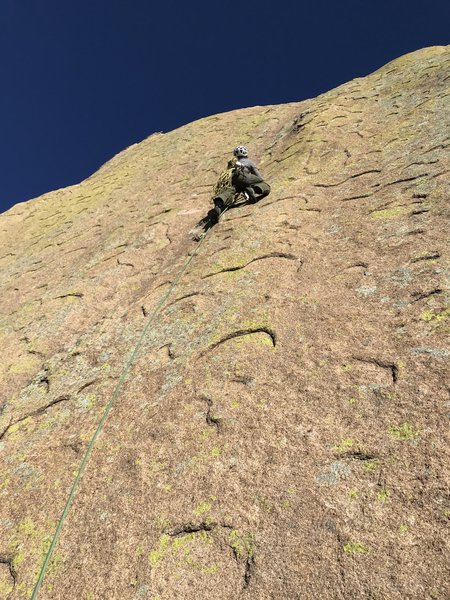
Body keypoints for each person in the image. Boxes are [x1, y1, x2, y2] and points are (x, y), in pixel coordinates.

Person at [210, 146, 271, 223]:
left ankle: (219, 204)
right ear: (246, 153)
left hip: (234, 179)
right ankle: (253, 190)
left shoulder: (232, 165)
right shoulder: (250, 162)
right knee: (264, 185)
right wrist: (257, 181)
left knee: (230, 191)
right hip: (244, 175)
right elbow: (259, 177)